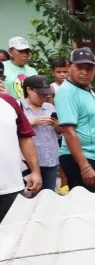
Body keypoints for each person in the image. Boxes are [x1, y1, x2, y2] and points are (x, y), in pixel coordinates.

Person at [55, 48, 95, 192]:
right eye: (79, 67)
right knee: (90, 209)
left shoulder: (86, 90)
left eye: (89, 68)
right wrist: (84, 166)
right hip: (82, 160)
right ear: (69, 67)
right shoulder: (67, 92)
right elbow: (68, 131)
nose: (84, 72)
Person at [1, 88, 41, 220]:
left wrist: (35, 171)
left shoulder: (9, 102)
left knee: (16, 235)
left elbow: (25, 138)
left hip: (11, 187)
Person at [20, 75, 60, 195]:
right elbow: (13, 129)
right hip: (28, 162)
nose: (44, 97)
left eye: (46, 94)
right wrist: (32, 122)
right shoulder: (18, 106)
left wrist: (56, 125)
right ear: (29, 90)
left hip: (50, 159)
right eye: (40, 94)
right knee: (30, 195)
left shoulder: (50, 107)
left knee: (49, 195)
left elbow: (59, 132)